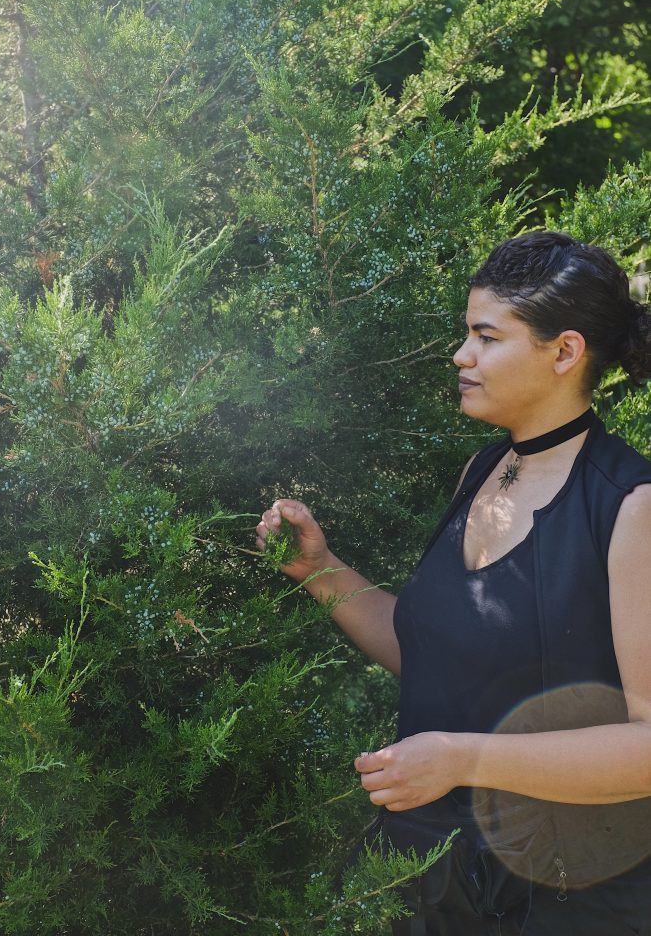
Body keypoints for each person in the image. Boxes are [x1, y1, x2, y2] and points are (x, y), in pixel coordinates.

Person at [255, 231, 651, 935]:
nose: (460, 355)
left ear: (563, 352)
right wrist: (318, 570)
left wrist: (462, 759)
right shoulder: (481, 472)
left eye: (485, 336)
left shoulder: (630, 505)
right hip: (431, 884)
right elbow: (446, 662)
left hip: (564, 900)